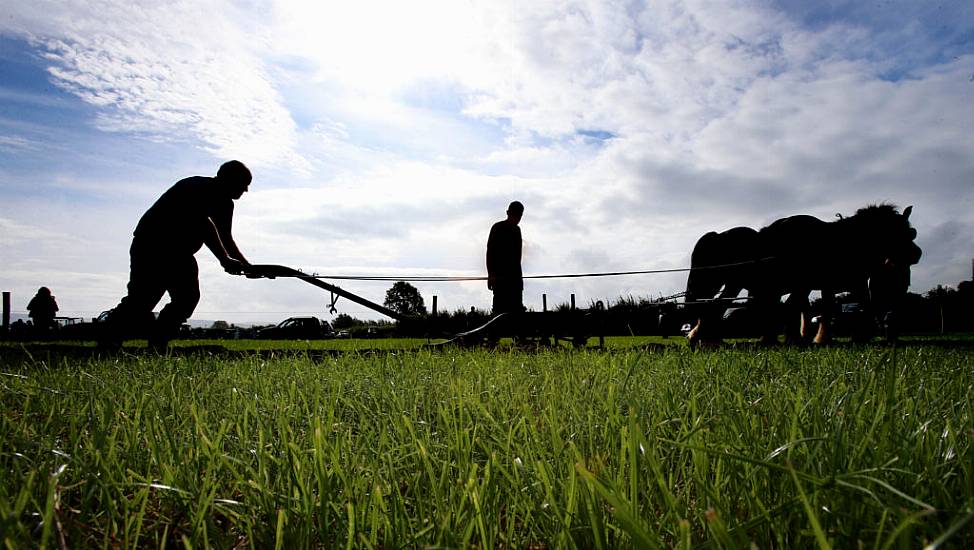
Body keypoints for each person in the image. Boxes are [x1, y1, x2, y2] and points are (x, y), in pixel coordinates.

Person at [103, 160, 254, 350]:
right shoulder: (194, 187)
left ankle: (158, 342)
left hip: (181, 253)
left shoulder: (225, 205)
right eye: (243, 184)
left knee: (187, 298)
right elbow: (204, 225)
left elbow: (225, 237)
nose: (246, 190)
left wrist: (247, 266)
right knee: (143, 298)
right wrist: (225, 260)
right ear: (228, 179)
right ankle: (108, 340)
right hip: (152, 245)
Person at [486, 201, 525, 315]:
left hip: (515, 279)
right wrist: (491, 274)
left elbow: (518, 256)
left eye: (519, 215)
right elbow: (490, 252)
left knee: (516, 313)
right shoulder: (497, 228)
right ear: (508, 213)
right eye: (516, 215)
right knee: (499, 312)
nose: (517, 218)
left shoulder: (517, 231)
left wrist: (518, 280)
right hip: (500, 279)